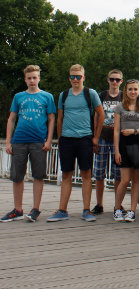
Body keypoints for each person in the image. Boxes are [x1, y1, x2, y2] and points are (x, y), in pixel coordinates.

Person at [47, 64, 104, 222]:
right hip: (67, 139)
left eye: (78, 76)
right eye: (72, 76)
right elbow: (59, 118)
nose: (75, 79)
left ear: (83, 77)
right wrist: (60, 138)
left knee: (86, 174)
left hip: (85, 138)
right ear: (69, 78)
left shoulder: (90, 93)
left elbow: (101, 115)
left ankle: (86, 210)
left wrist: (95, 138)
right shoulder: (63, 95)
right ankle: (62, 210)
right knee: (66, 174)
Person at [1, 65, 56, 223]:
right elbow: (11, 119)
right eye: (29, 78)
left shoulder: (47, 97)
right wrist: (9, 141)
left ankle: (35, 209)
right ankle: (17, 209)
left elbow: (51, 119)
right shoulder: (18, 97)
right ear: (25, 80)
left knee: (38, 176)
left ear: (39, 78)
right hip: (19, 140)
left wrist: (49, 140)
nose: (32, 80)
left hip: (39, 141)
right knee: (17, 176)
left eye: (35, 77)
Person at [113, 79, 139, 222]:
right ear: (126, 91)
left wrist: (133, 131)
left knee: (138, 180)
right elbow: (116, 130)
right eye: (130, 89)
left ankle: (132, 210)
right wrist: (116, 151)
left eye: (135, 89)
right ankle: (117, 208)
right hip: (124, 145)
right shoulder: (119, 107)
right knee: (125, 180)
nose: (133, 92)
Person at [91, 69, 123, 215]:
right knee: (99, 173)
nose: (114, 82)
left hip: (118, 139)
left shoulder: (124, 96)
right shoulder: (101, 95)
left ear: (121, 81)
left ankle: (118, 204)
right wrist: (95, 137)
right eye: (112, 79)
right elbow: (96, 116)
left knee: (118, 174)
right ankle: (99, 204)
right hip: (102, 136)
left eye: (117, 79)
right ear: (108, 80)